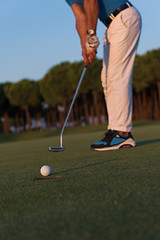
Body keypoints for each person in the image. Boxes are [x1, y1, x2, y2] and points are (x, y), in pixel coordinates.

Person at [65, 0, 142, 151]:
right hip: (113, 25)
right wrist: (85, 46)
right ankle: (115, 131)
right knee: (107, 79)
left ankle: (122, 134)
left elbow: (91, 1)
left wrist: (91, 35)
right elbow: (80, 16)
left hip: (123, 17)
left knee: (117, 76)